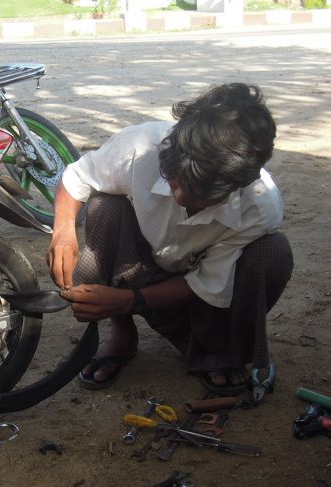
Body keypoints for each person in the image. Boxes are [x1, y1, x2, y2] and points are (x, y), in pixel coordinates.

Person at [48, 83, 293, 394]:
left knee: (272, 254)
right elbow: (77, 178)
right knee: (104, 205)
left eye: (198, 196)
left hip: (196, 288)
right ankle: (122, 333)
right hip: (137, 262)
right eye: (175, 181)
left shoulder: (259, 208)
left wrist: (129, 299)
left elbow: (206, 283)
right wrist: (63, 232)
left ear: (237, 185)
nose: (179, 197)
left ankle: (219, 350)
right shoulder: (141, 146)